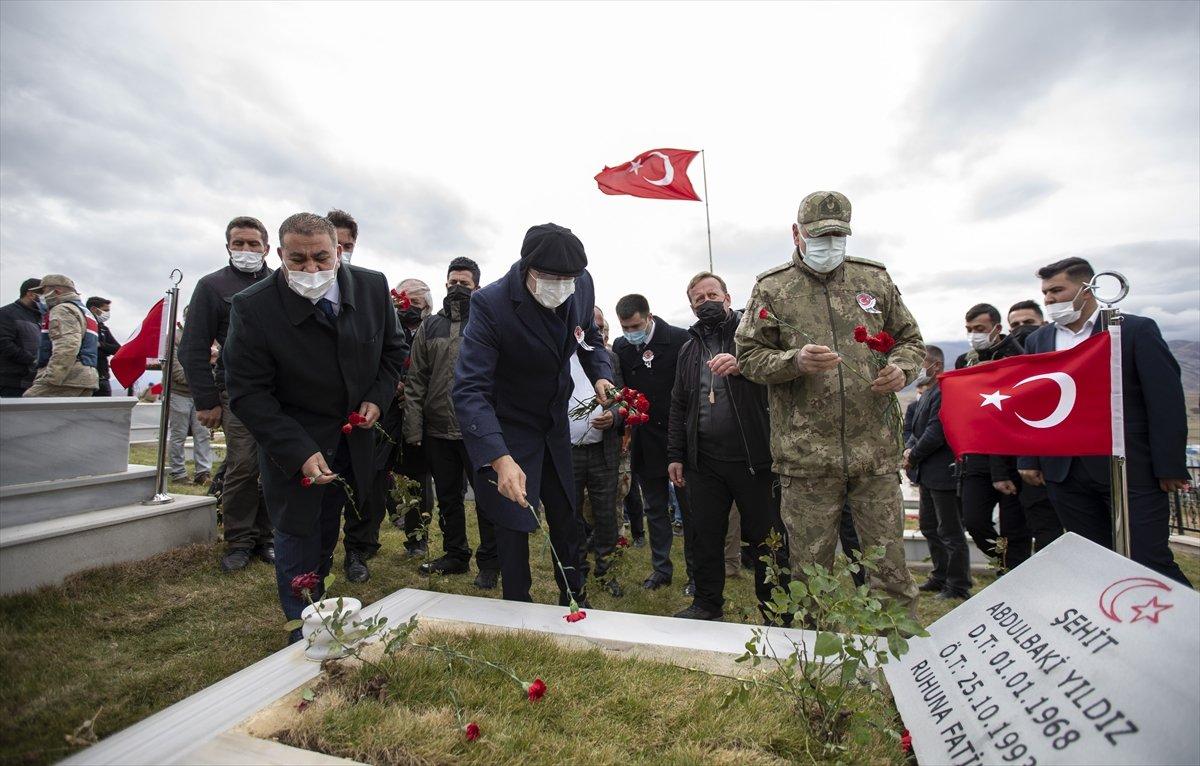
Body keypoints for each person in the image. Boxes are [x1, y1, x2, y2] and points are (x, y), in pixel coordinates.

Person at [736, 190, 922, 616]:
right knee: (808, 572)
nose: (830, 245)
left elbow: (910, 340)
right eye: (820, 236)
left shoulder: (873, 280)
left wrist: (902, 368)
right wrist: (793, 361)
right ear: (797, 233)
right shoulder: (772, 288)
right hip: (806, 458)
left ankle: (902, 667)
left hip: (874, 453)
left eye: (839, 235)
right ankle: (815, 666)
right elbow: (748, 358)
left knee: (890, 570)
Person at [223, 212, 407, 627]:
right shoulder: (254, 308)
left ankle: (320, 602)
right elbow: (248, 392)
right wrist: (297, 449)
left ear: (339, 251)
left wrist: (377, 398)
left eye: (322, 258)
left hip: (353, 436)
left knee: (330, 523)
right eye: (298, 260)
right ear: (280, 256)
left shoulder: (372, 287)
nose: (311, 270)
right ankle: (302, 625)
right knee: (297, 529)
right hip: (296, 440)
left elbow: (393, 351)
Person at [453, 223, 612, 605]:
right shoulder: (491, 304)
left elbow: (589, 337)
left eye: (568, 278)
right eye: (551, 278)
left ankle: (574, 595)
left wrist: (602, 375)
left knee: (565, 512)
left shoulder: (582, 285)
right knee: (513, 518)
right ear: (528, 268)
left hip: (554, 423)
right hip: (509, 424)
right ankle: (517, 603)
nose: (561, 285)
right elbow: (470, 389)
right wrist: (499, 456)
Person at [1017, 257, 1191, 586]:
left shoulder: (1133, 329)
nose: (1049, 299)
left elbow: (1165, 400)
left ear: (1086, 289)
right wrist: (1030, 457)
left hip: (1130, 467)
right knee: (1094, 559)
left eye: (1057, 290)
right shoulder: (1038, 341)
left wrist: (1170, 465)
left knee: (1148, 560)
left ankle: (1185, 629)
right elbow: (1034, 402)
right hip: (1064, 471)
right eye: (1045, 293)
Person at [667, 271, 786, 621]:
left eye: (712, 294)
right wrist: (675, 454)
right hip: (703, 461)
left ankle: (775, 608)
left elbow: (778, 378)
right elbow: (677, 404)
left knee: (767, 538)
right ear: (691, 307)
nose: (707, 302)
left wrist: (744, 366)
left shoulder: (753, 339)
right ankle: (706, 604)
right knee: (704, 535)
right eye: (699, 299)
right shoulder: (688, 350)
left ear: (728, 297)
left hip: (753, 458)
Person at [178, 216, 275, 572]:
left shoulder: (281, 282)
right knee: (244, 464)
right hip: (237, 392)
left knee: (275, 464)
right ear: (228, 247)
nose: (247, 250)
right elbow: (191, 348)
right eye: (239, 243)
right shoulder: (213, 286)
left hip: (281, 394)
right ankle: (239, 540)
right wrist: (206, 400)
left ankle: (267, 537)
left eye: (253, 244)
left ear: (266, 247)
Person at [403, 257, 501, 588]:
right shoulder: (430, 326)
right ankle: (455, 555)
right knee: (447, 497)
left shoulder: (488, 323)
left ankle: (490, 561)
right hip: (437, 429)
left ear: (477, 287)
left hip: (478, 431)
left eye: (464, 283)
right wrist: (413, 427)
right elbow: (416, 379)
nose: (457, 287)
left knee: (487, 500)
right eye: (452, 282)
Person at [613, 293, 693, 593]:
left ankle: (696, 574)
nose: (630, 333)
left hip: (679, 438)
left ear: (649, 317)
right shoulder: (622, 347)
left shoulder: (679, 340)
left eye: (635, 325)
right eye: (625, 327)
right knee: (655, 509)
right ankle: (661, 569)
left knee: (689, 510)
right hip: (646, 442)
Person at [953, 303, 1033, 571]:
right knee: (974, 520)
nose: (974, 334)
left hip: (1010, 457)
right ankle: (1004, 560)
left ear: (997, 328)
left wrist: (1002, 469)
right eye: (969, 329)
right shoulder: (965, 360)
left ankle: (1014, 570)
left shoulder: (1016, 356)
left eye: (980, 329)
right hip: (976, 455)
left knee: (1014, 527)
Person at [989, 302, 1063, 552]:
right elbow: (998, 423)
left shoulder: (1059, 361)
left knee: (1055, 531)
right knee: (1017, 530)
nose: (1022, 329)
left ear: (1043, 324)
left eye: (1028, 323)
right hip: (1017, 466)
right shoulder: (1007, 369)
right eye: (1016, 325)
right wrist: (1001, 471)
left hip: (1057, 462)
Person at [904, 345, 971, 599]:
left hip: (944, 473)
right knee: (930, 527)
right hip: (927, 474)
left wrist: (913, 454)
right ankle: (940, 575)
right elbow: (913, 430)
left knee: (950, 531)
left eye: (921, 363)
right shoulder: (927, 394)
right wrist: (909, 448)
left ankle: (958, 584)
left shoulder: (945, 392)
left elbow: (935, 432)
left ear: (936, 366)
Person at [568, 306, 626, 597]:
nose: (597, 331)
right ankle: (577, 570)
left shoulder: (610, 359)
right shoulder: (559, 357)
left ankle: (607, 571)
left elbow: (623, 400)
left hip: (604, 451)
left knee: (606, 515)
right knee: (571, 515)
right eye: (592, 326)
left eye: (601, 327)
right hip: (569, 451)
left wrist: (613, 417)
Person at [390, 278, 436, 554]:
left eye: (415, 303)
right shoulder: (387, 327)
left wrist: (415, 391)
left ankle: (417, 537)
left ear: (426, 306)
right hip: (387, 409)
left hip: (418, 412)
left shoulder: (432, 331)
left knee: (418, 477)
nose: (408, 308)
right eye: (403, 302)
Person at [23, 274, 99, 398]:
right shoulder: (86, 312)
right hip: (86, 377)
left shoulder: (62, 309)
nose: (40, 297)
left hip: (66, 379)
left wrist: (50, 379)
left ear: (57, 291)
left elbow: (67, 346)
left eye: (43, 291)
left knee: (23, 410)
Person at [167, 313, 214, 484]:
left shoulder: (208, 338)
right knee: (178, 434)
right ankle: (177, 473)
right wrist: (202, 380)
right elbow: (175, 368)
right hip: (179, 393)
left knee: (202, 434)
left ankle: (203, 472)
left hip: (200, 394)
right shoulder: (175, 338)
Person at [0, 279, 42, 397]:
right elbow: (4, 344)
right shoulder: (6, 313)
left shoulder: (40, 317)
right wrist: (33, 361)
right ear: (31, 294)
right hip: (13, 382)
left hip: (34, 381)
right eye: (44, 294)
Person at [86, 296, 121, 396]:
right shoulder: (83, 325)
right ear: (93, 309)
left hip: (103, 378)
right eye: (105, 310)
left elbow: (117, 348)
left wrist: (100, 345)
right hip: (87, 377)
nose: (107, 313)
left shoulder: (103, 328)